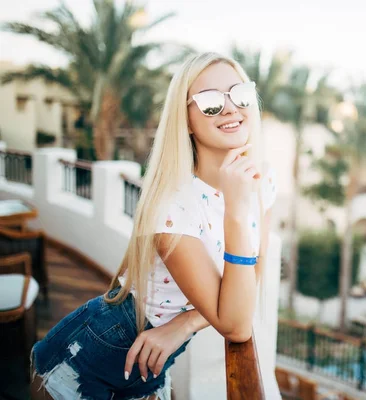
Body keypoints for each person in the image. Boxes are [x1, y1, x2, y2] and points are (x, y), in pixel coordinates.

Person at [30, 52, 279, 399]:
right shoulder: (173, 207)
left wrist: (186, 322)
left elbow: (249, 280)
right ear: (186, 120)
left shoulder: (260, 182)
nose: (229, 108)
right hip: (90, 356)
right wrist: (235, 210)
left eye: (239, 93)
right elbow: (236, 326)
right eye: (209, 101)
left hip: (154, 362)